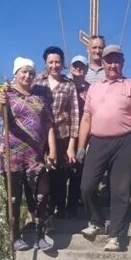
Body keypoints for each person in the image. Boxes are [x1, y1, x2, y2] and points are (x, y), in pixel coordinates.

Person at [77, 44, 131, 252]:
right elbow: (87, 118)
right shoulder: (94, 88)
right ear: (103, 63)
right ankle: (96, 222)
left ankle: (115, 236)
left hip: (123, 141)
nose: (112, 64)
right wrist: (81, 146)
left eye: (117, 60)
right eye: (109, 60)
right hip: (97, 141)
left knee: (121, 190)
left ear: (122, 63)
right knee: (86, 186)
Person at [0, 57, 57, 251]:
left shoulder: (39, 97)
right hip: (12, 155)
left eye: (31, 72)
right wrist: (0, 101)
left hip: (35, 155)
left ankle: (40, 235)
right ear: (16, 74)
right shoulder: (7, 94)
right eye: (23, 71)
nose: (27, 75)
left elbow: (48, 124)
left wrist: (52, 148)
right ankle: (15, 236)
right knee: (14, 197)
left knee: (41, 194)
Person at [34, 46, 80, 220]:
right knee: (43, 174)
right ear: (45, 63)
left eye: (57, 62)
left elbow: (75, 114)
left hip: (62, 135)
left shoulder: (68, 85)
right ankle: (44, 211)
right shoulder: (37, 83)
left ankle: (60, 211)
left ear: (62, 63)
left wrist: (71, 145)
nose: (54, 65)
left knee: (60, 175)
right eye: (50, 62)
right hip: (41, 136)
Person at [68, 54, 90, 216]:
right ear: (70, 68)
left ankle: (74, 206)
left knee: (79, 171)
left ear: (86, 70)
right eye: (75, 66)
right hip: (64, 135)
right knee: (61, 173)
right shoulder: (63, 85)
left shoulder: (91, 90)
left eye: (81, 66)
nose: (78, 69)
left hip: (82, 136)